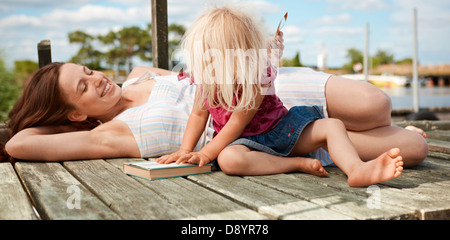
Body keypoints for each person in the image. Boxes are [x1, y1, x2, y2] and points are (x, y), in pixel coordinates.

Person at [3, 19, 427, 174]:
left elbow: (202, 77)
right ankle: (385, 139)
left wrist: (259, 54)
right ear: (75, 116)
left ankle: (375, 131)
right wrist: (45, 119)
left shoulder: (136, 76)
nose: (96, 79)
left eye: (89, 70)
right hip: (255, 128)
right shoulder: (112, 134)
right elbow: (20, 143)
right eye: (82, 87)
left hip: (260, 88)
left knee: (376, 104)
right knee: (414, 146)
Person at [157, 6, 407, 187]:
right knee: (230, 160)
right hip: (244, 145)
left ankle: (356, 169)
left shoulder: (256, 78)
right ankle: (295, 164)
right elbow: (197, 115)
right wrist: (185, 151)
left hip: (282, 132)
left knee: (332, 125)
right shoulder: (206, 81)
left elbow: (236, 123)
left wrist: (204, 154)